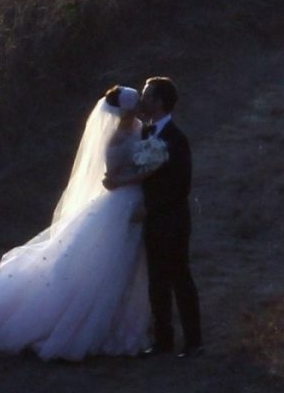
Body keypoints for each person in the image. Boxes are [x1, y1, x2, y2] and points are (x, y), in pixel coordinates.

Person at [0, 86, 150, 361]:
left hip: (136, 201)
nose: (138, 110)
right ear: (124, 111)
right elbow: (111, 180)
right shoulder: (115, 141)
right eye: (133, 107)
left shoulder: (139, 128)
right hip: (121, 202)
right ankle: (94, 327)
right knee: (108, 264)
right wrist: (142, 174)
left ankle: (128, 322)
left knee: (129, 264)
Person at [105, 76, 203, 358]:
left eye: (147, 96)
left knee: (180, 277)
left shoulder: (175, 139)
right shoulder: (147, 135)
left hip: (172, 220)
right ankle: (163, 341)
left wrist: (151, 207)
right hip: (152, 222)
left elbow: (181, 186)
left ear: (159, 102)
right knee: (157, 280)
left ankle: (194, 341)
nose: (142, 101)